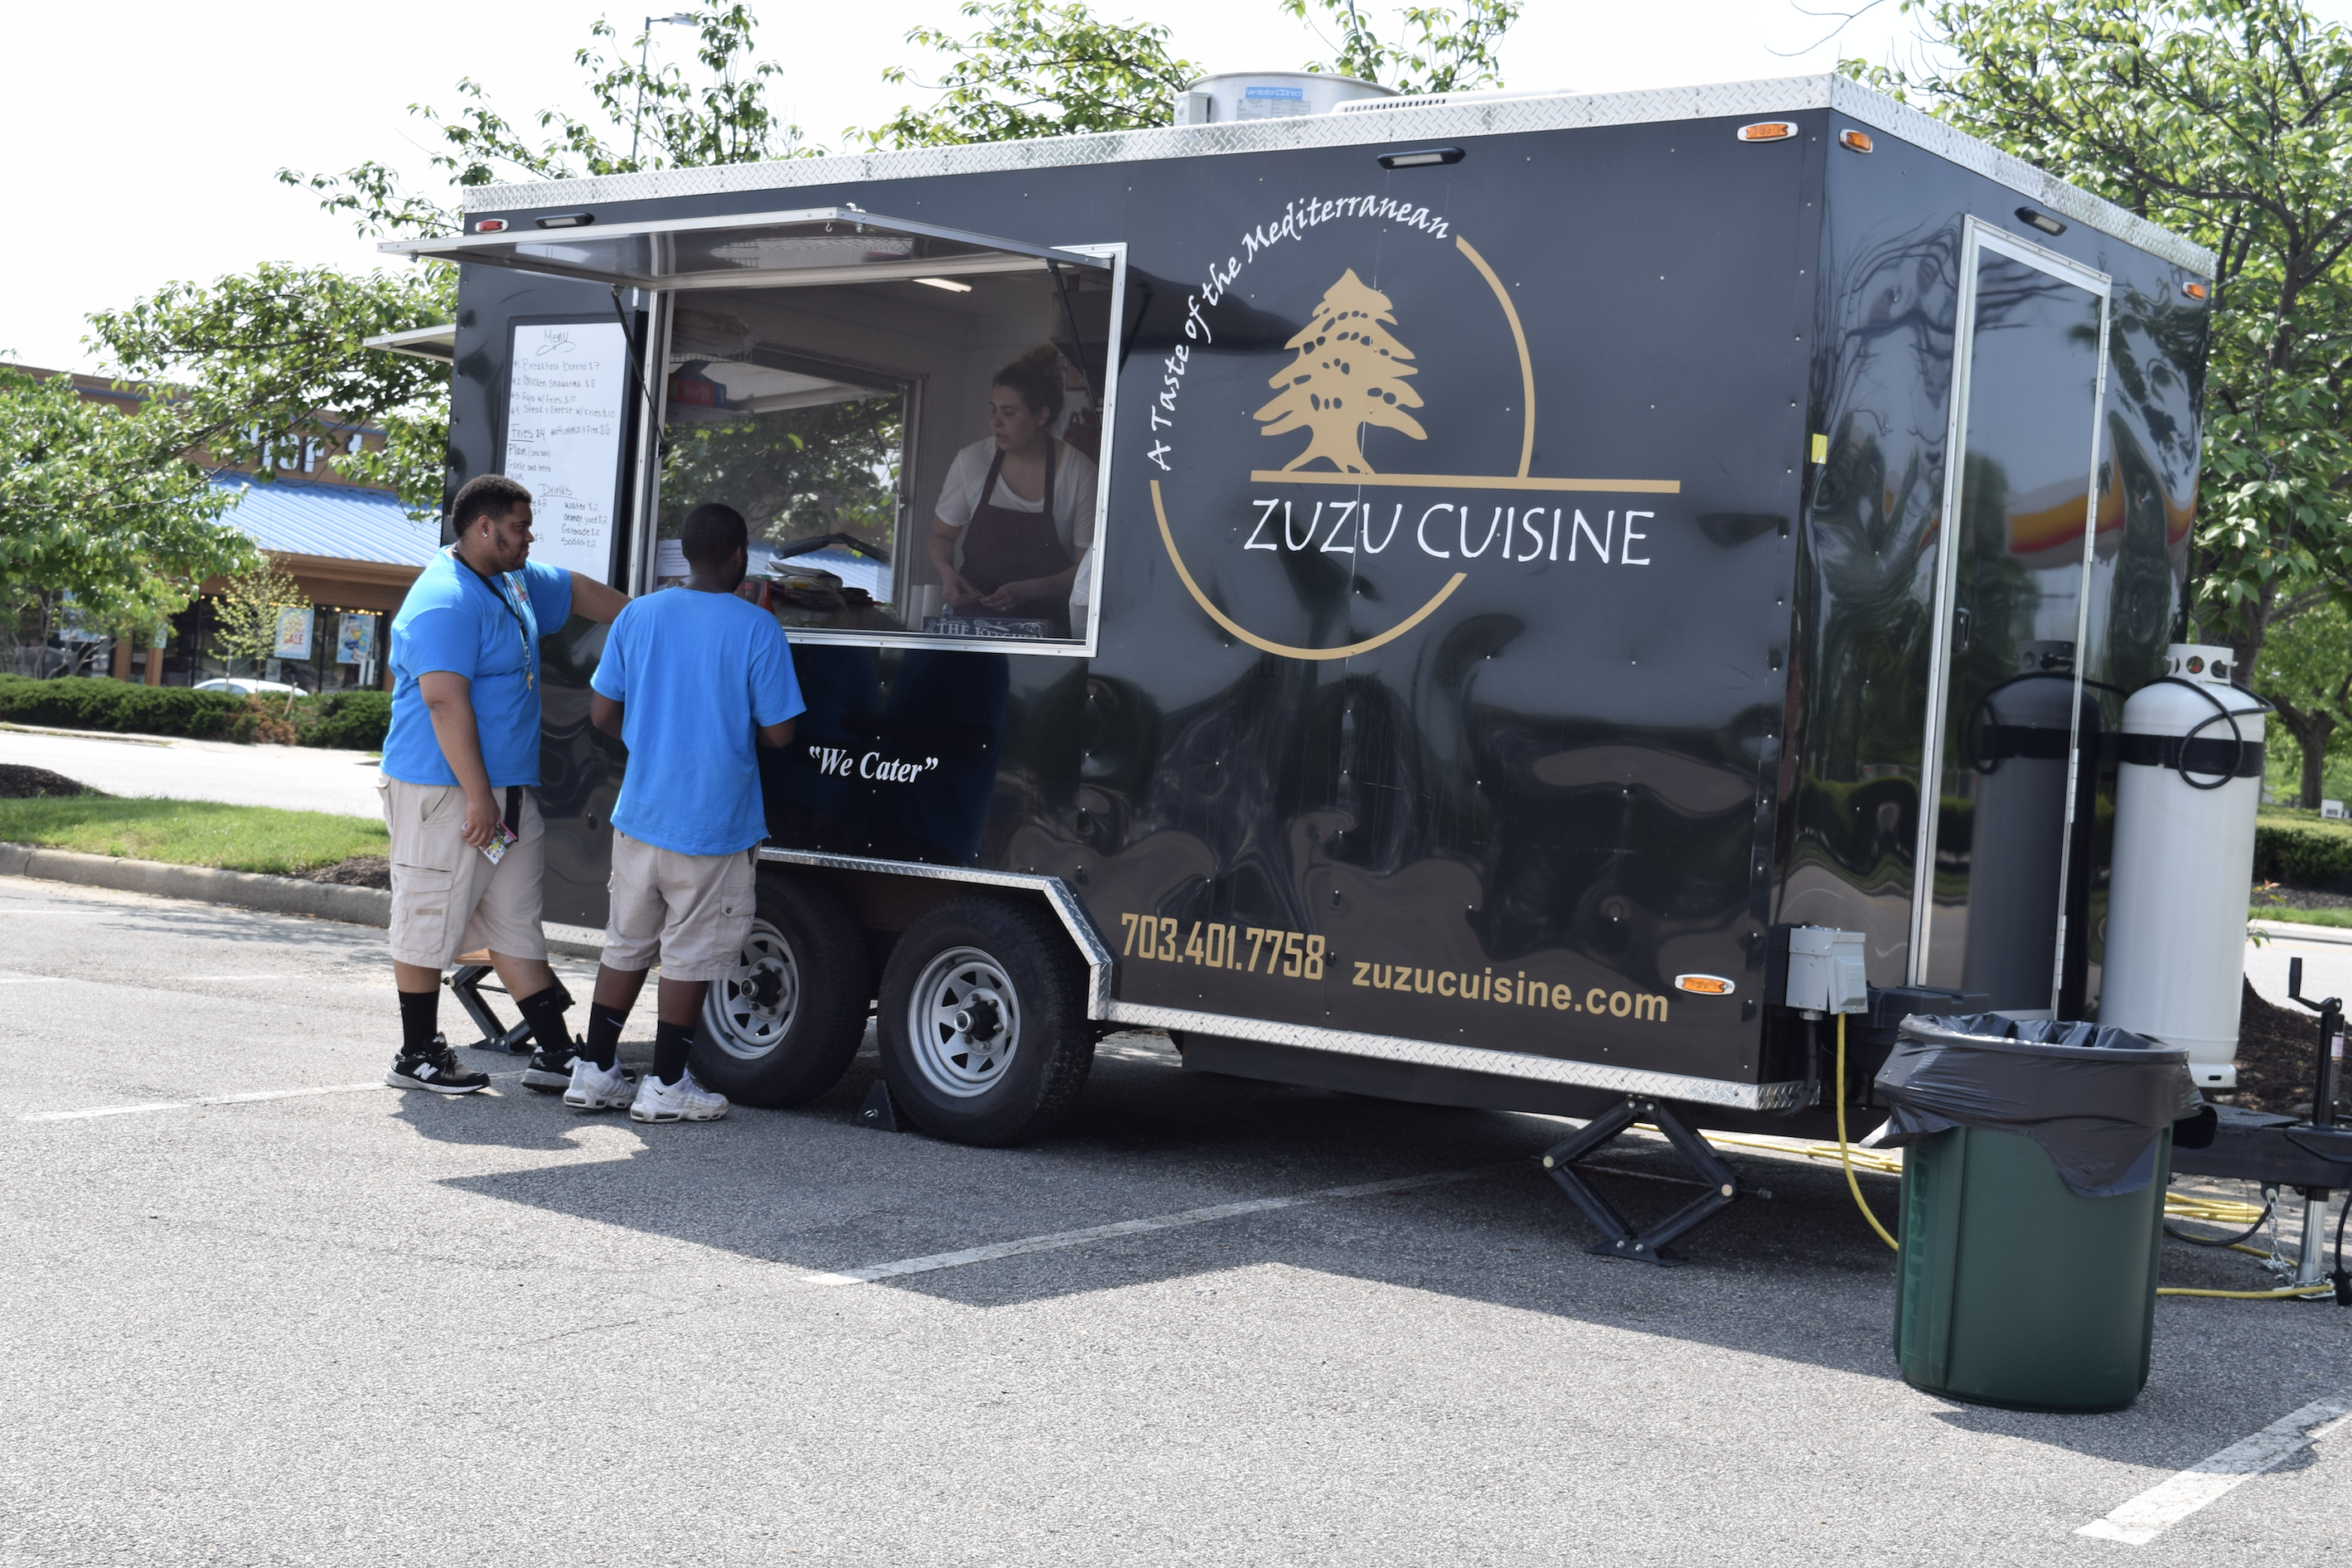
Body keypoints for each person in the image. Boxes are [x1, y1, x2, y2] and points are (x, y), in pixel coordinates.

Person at [380, 474, 627, 1095]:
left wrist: (656, 621)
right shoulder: (445, 598)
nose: (529, 536)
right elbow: (443, 703)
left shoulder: (514, 580)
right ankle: (417, 1055)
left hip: (508, 790)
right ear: (484, 527)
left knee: (515, 921)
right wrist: (480, 797)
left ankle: (552, 1054)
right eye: (519, 526)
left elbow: (581, 593)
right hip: (448, 792)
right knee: (426, 913)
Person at [566, 501, 804, 1123]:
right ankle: (668, 1083)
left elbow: (601, 714)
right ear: (738, 557)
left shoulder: (639, 615)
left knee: (627, 943)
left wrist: (652, 740)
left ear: (685, 555)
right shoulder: (757, 628)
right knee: (690, 954)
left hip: (641, 812)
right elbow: (780, 734)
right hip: (714, 822)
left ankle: (594, 1072)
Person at [927, 344, 1098, 639]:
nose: (996, 420)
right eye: (993, 409)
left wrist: (1031, 590)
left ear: (1041, 416)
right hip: (972, 631)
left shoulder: (1078, 473)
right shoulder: (973, 461)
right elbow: (941, 535)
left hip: (1047, 634)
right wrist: (947, 573)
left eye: (1009, 412)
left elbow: (1087, 570)